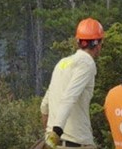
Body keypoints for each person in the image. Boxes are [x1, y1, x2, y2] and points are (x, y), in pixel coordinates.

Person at [40, 18, 105, 148]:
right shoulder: (87, 63)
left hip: (55, 143)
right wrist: (57, 130)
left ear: (78, 42)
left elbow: (45, 104)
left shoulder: (62, 63)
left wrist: (50, 132)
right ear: (98, 44)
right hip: (76, 142)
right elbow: (70, 96)